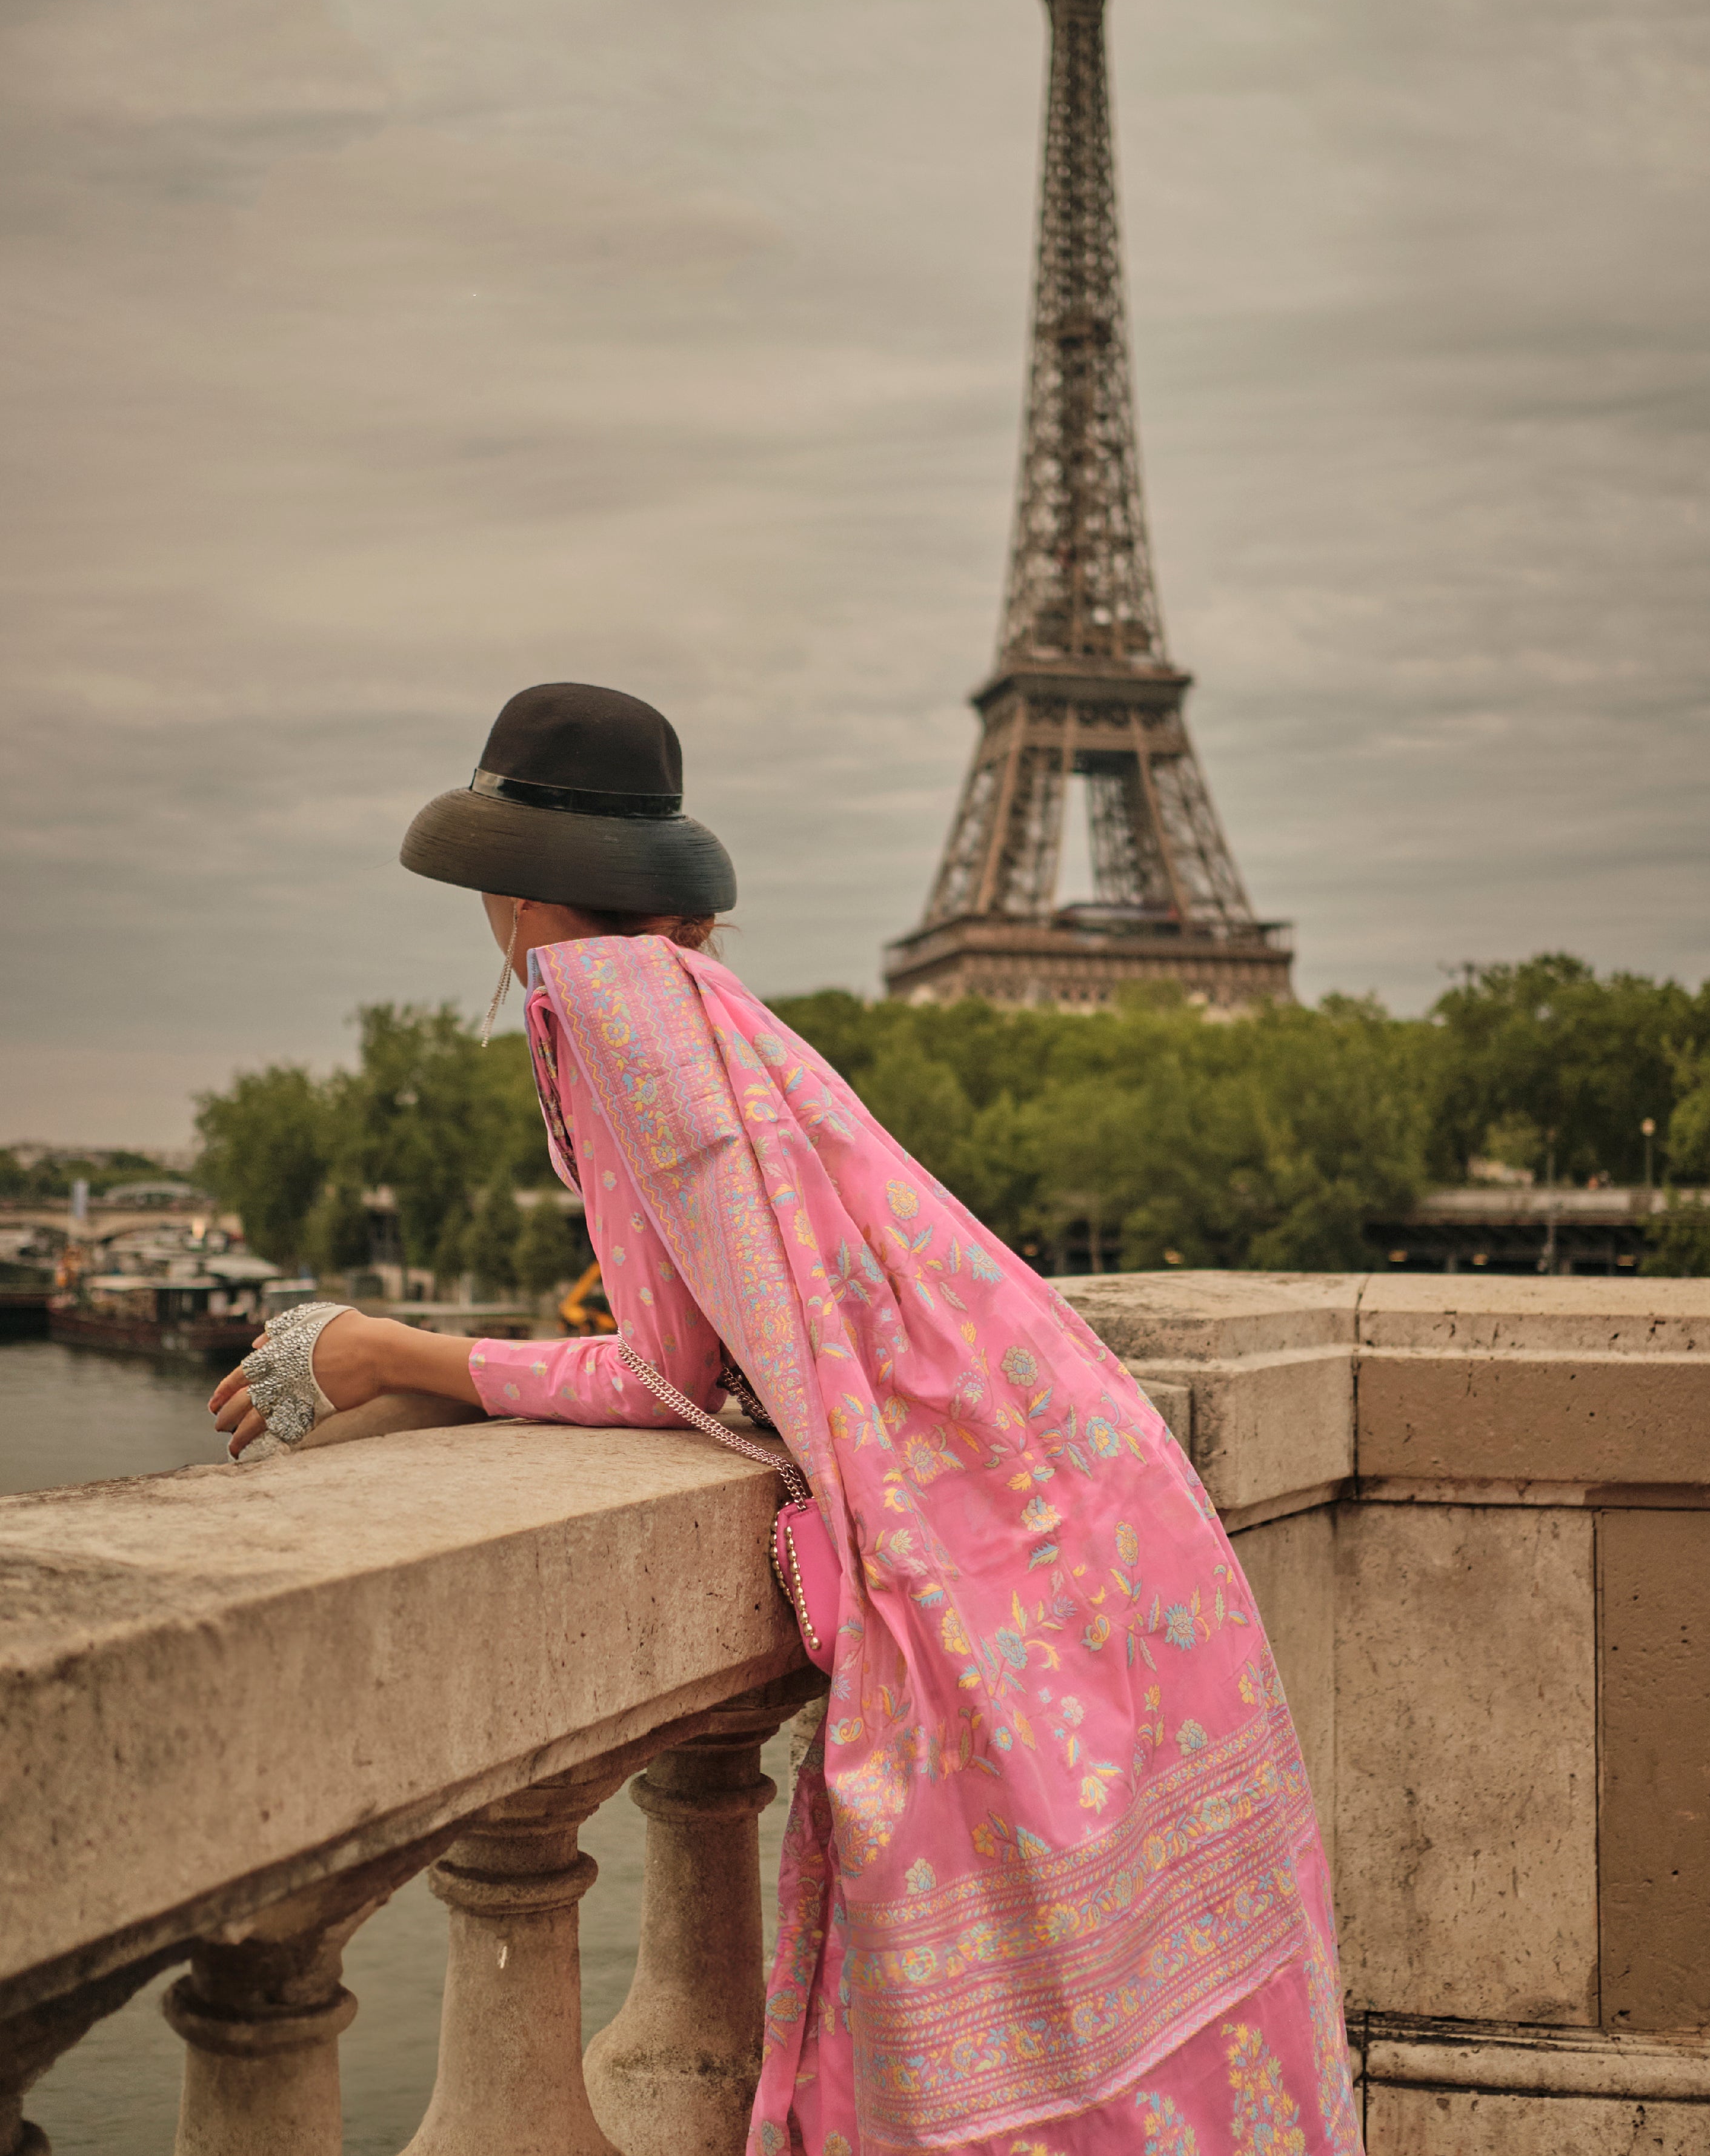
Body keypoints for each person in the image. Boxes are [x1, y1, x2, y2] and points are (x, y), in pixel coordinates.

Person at [213, 682, 1361, 2156]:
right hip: (1090, 1472)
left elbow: (669, 1371)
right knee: (1137, 1984)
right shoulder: (706, 1008)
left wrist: (392, 1350)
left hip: (994, 1510)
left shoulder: (600, 1016)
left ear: (506, 880)